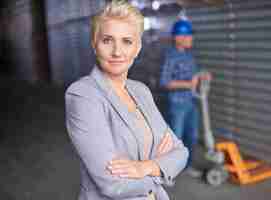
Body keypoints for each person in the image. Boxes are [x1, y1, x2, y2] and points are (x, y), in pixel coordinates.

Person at [65, 1, 188, 200]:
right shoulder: (83, 95)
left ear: (137, 48)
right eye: (107, 40)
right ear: (94, 44)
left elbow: (181, 152)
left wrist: (145, 167)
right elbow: (114, 186)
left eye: (127, 41)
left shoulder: (141, 90)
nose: (117, 52)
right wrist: (161, 169)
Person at [159, 19, 211, 177]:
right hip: (177, 105)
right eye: (189, 35)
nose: (191, 39)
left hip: (191, 102)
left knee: (192, 137)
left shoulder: (189, 55)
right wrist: (189, 84)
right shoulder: (170, 56)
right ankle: (168, 172)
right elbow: (165, 82)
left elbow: (192, 76)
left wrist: (203, 75)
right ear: (178, 37)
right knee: (176, 140)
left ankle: (187, 167)